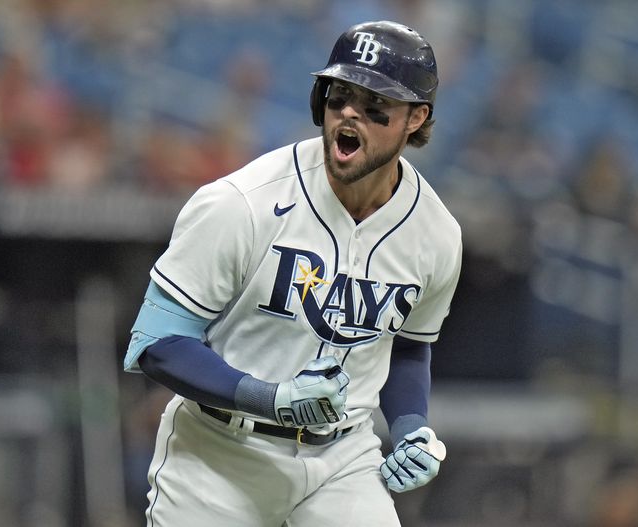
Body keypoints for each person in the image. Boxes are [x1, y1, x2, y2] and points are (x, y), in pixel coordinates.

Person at [123, 20, 462, 526]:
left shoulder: (435, 233)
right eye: (339, 95)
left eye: (375, 105)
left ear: (416, 119)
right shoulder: (241, 203)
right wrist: (273, 399)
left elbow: (409, 344)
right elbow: (156, 343)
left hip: (344, 462)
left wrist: (411, 426)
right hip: (220, 454)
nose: (349, 113)